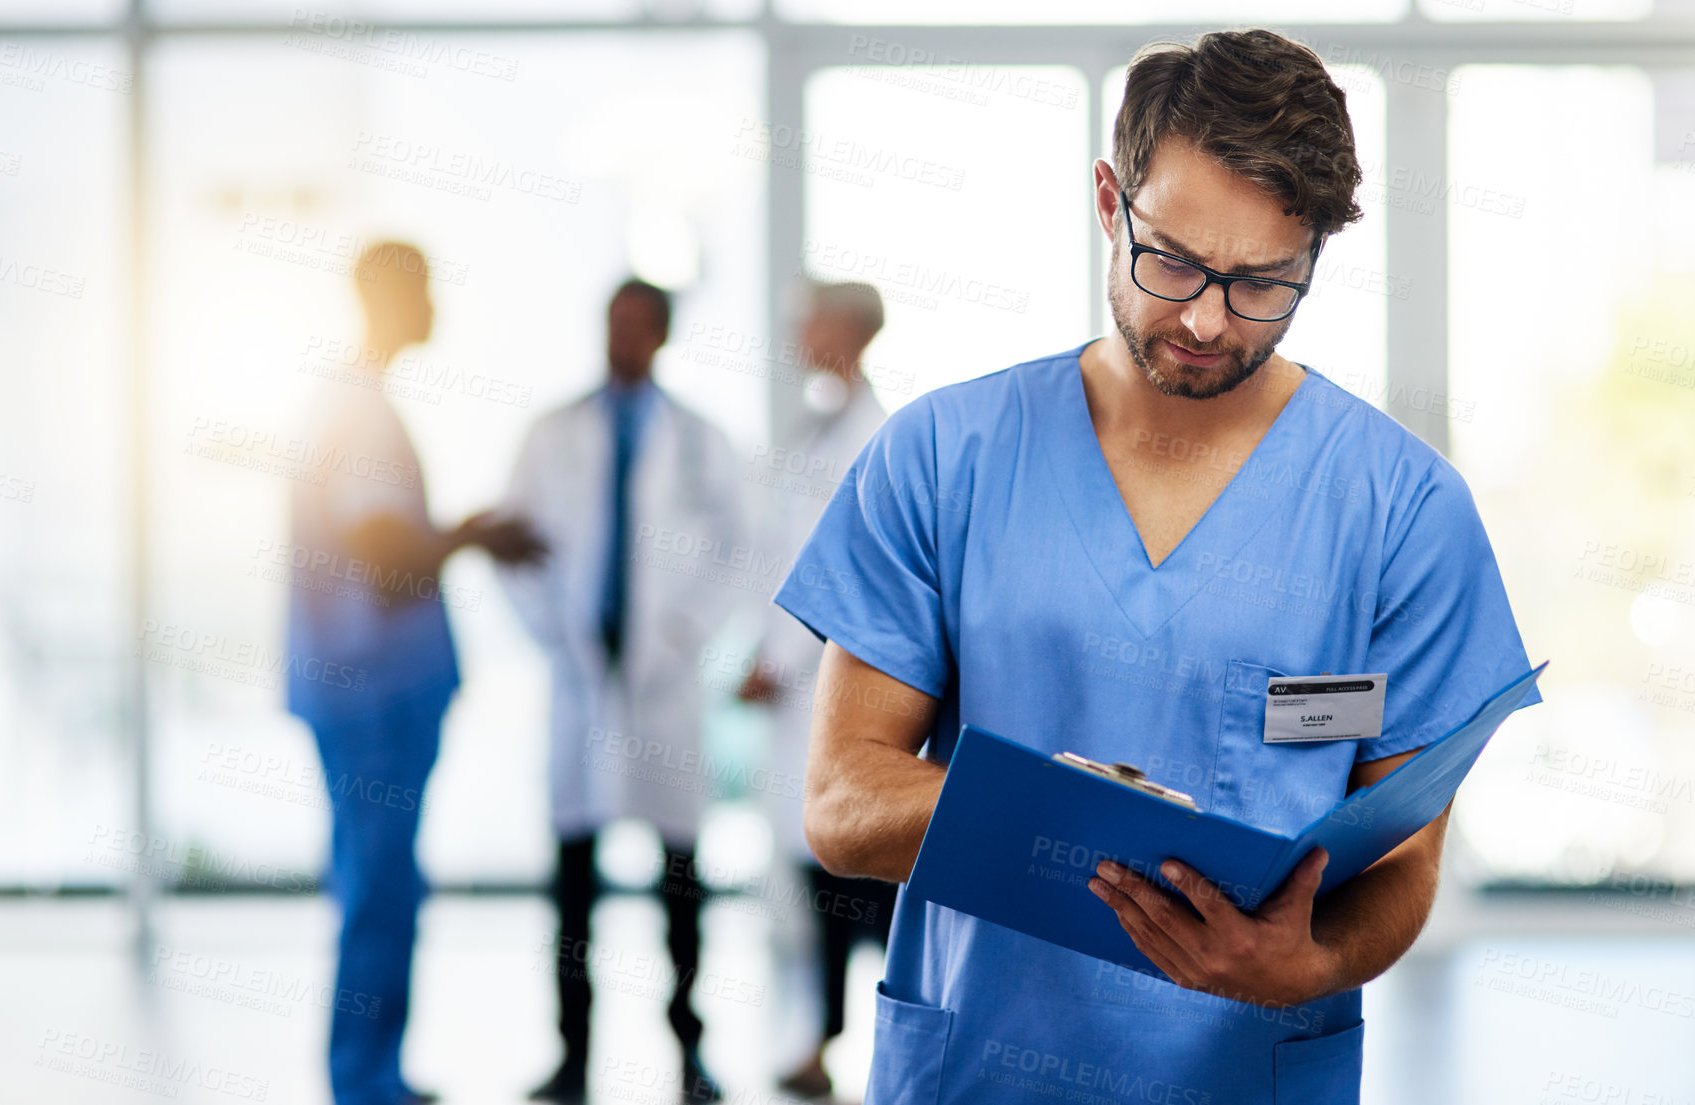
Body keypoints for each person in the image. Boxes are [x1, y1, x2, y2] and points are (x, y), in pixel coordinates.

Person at [774, 30, 1543, 1105]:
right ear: (1108, 199)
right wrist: (1040, 808)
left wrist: (1312, 963)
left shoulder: (1403, 510)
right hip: (981, 1067)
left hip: (1245, 1070)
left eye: (1264, 282)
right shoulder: (943, 457)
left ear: (1317, 253)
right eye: (1171, 258)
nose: (1204, 317)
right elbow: (841, 798)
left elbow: (1405, 857)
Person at [287, 240, 545, 1105]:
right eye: (427, 287)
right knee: (379, 884)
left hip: (362, 683)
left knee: (375, 878)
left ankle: (370, 1069)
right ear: (390, 295)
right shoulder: (356, 410)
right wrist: (475, 537)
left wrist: (452, 531)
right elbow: (385, 552)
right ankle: (363, 1079)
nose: (438, 305)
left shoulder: (353, 401)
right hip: (375, 691)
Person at [499, 278, 746, 1105]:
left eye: (639, 325)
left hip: (662, 685)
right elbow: (516, 546)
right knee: (572, 884)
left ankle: (689, 1053)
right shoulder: (551, 433)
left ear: (663, 335)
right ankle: (571, 1056)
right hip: (581, 679)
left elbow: (736, 553)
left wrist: (681, 634)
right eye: (613, 322)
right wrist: (554, 638)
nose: (623, 337)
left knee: (682, 881)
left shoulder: (700, 440)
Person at [734, 281, 896, 1099]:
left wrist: (778, 662)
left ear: (849, 331)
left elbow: (831, 571)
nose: (799, 329)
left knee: (853, 878)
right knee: (823, 878)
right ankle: (823, 1038)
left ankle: (849, 1041)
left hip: (828, 681)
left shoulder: (867, 435)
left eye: (813, 318)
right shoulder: (819, 424)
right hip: (797, 682)